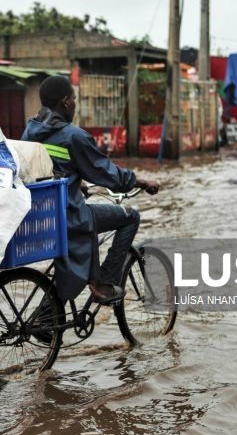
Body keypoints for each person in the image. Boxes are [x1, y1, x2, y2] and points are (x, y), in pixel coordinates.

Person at [21, 76, 160, 304]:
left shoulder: (30, 131)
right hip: (70, 215)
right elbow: (107, 173)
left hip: (42, 215)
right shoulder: (73, 136)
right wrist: (140, 181)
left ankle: (45, 322)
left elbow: (46, 168)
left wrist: (77, 182)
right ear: (66, 101)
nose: (75, 105)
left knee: (69, 262)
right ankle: (102, 283)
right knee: (130, 217)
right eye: (74, 99)